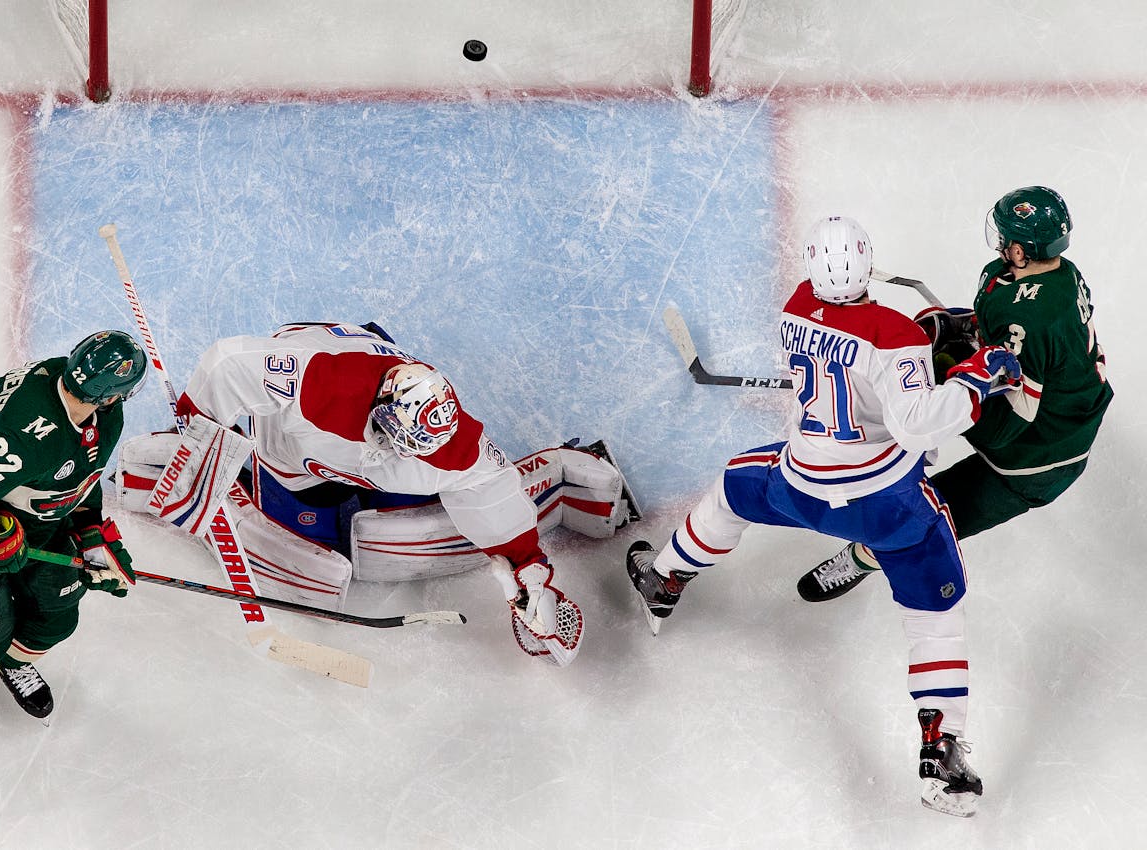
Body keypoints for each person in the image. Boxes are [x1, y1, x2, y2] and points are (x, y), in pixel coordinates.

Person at [625, 216, 1023, 816]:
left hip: (800, 487)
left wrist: (914, 345)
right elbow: (915, 420)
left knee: (734, 487)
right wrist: (976, 376)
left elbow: (853, 338)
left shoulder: (795, 306)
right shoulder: (894, 336)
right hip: (887, 507)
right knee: (936, 615)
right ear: (866, 264)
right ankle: (940, 754)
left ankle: (666, 577)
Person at [116, 322, 637, 667]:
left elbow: (491, 488)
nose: (407, 454)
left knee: (411, 496)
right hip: (294, 437)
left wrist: (527, 568)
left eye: (417, 450)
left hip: (368, 411)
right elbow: (229, 363)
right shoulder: (323, 385)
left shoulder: (451, 443)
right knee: (298, 507)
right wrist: (199, 430)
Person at [797, 187, 1113, 602]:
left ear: (1020, 252)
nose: (998, 242)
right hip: (1057, 404)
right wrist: (960, 327)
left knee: (922, 521)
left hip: (1040, 458)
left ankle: (862, 557)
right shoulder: (1051, 273)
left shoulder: (1034, 317)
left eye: (1005, 237)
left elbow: (1004, 428)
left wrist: (941, 383)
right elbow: (1005, 334)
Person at [0, 330, 146, 719]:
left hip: (35, 522)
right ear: (108, 393)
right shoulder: (26, 436)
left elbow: (82, 472)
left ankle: (14, 660)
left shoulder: (96, 408)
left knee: (58, 612)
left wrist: (89, 531)